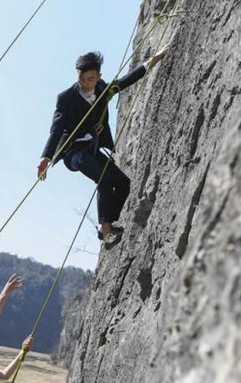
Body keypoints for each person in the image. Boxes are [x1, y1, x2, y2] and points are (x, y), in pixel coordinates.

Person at [37, 46, 170, 246]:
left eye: (90, 79)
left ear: (98, 77)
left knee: (124, 183)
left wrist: (154, 60)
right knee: (105, 179)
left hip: (91, 149)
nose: (85, 84)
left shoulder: (101, 90)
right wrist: (45, 158)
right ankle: (105, 228)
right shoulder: (66, 98)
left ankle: (107, 223)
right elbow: (56, 130)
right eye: (81, 79)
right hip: (73, 154)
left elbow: (125, 82)